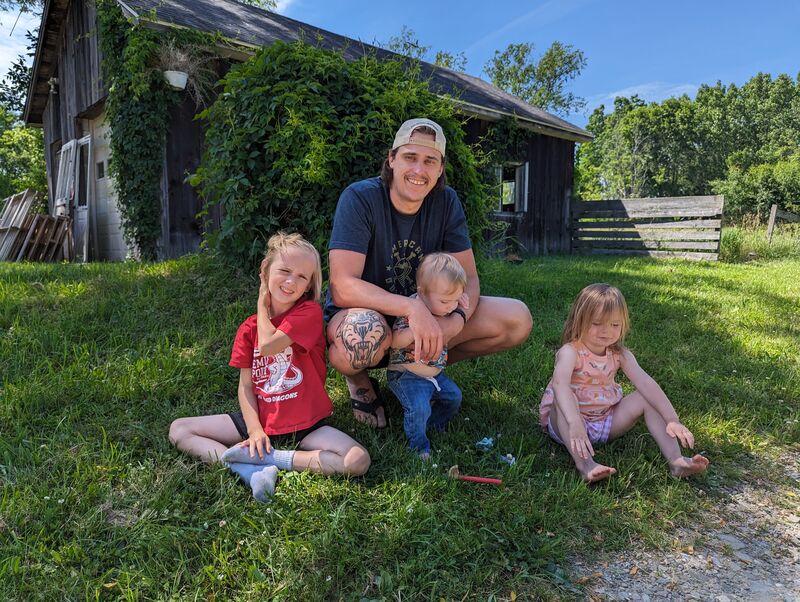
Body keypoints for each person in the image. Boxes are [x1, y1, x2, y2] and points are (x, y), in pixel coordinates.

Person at [325, 117, 532, 428]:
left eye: (429, 161)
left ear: (440, 169)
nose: (419, 170)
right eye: (410, 157)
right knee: (358, 341)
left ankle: (420, 367)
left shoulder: (446, 202)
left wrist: (453, 322)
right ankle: (359, 382)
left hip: (431, 317)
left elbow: (470, 279)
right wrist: (412, 307)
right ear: (392, 159)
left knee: (517, 319)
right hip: (369, 316)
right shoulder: (360, 198)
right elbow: (342, 286)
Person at [169, 232, 370, 502]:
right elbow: (246, 386)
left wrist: (261, 305)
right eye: (284, 271)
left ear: (310, 284)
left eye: (302, 277)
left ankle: (275, 459)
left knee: (357, 460)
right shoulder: (248, 329)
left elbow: (268, 346)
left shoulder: (308, 313)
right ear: (265, 271)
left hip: (306, 425)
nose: (291, 282)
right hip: (261, 421)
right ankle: (243, 465)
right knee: (179, 430)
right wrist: (254, 430)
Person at [540, 283, 710, 483]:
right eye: (597, 323)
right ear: (579, 320)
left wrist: (672, 419)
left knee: (645, 398)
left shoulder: (620, 355)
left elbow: (646, 383)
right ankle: (586, 465)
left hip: (605, 421)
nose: (607, 331)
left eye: (615, 325)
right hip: (567, 426)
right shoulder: (570, 351)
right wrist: (574, 422)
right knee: (563, 400)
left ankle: (677, 461)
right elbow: (560, 385)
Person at [387, 253, 467, 459]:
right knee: (419, 408)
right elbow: (394, 340)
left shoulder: (444, 307)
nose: (451, 306)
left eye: (455, 299)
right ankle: (419, 447)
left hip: (435, 376)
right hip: (407, 375)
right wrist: (414, 333)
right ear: (422, 294)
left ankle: (434, 425)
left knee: (454, 398)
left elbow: (453, 302)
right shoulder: (413, 312)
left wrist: (458, 300)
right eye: (445, 301)